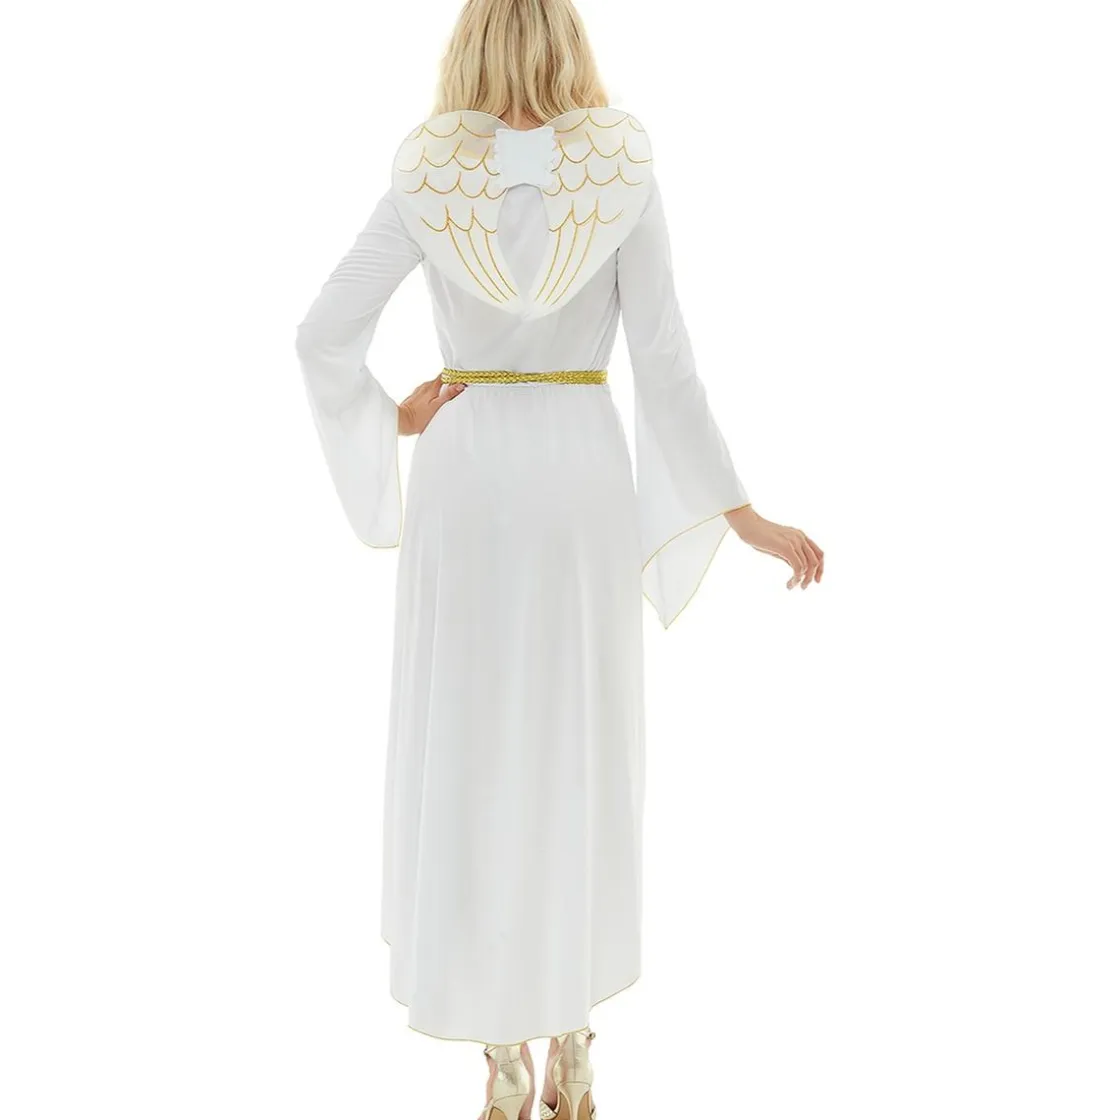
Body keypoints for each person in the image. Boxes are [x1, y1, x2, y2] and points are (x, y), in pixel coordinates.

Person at [294, 0, 823, 1116]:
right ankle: (573, 1034)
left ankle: (499, 1050)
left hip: (468, 470)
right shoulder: (617, 166)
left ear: (471, 45)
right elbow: (666, 360)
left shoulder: (431, 169)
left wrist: (393, 418)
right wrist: (739, 512)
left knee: (472, 740)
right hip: (579, 468)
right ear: (568, 43)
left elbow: (322, 332)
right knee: (576, 741)